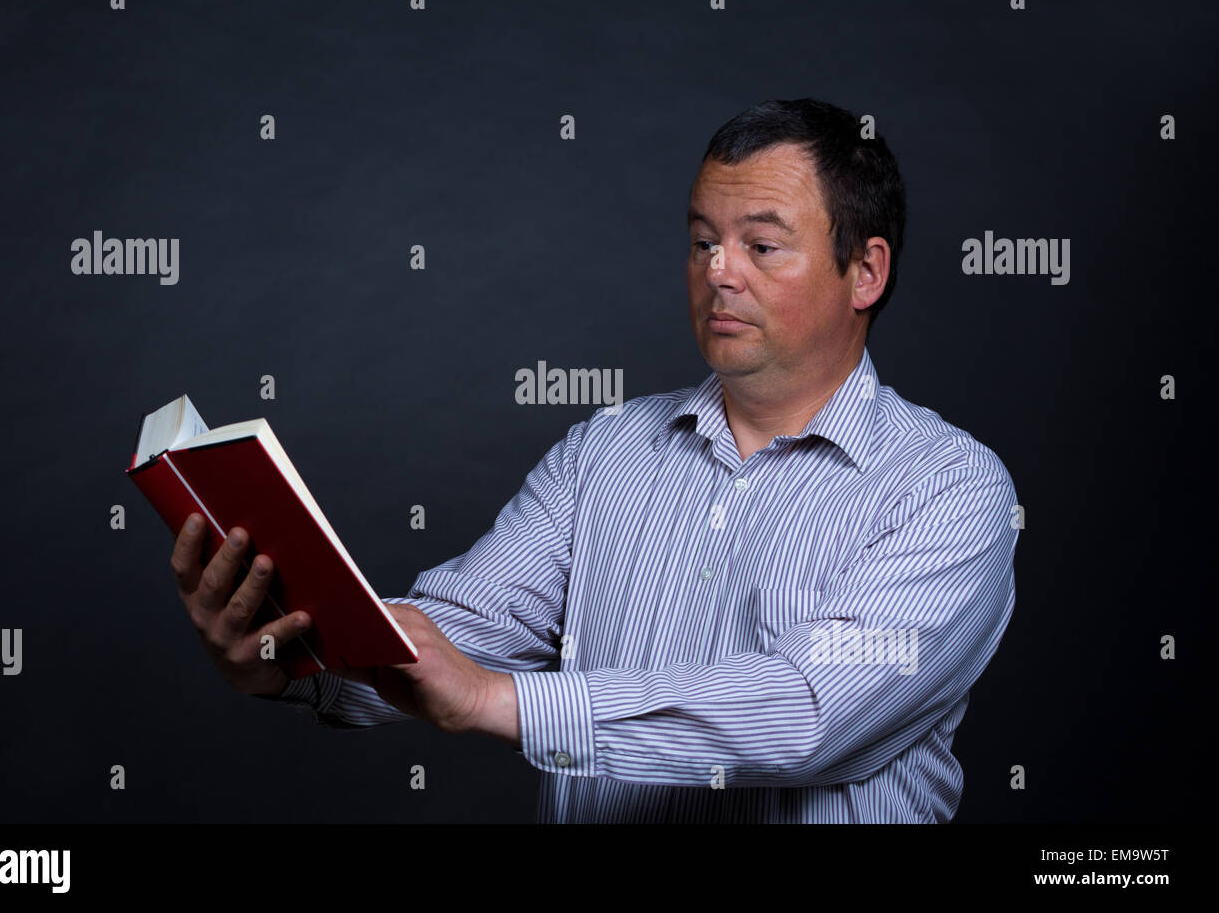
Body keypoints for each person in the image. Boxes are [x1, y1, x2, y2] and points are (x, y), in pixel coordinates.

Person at [169, 98, 1018, 823]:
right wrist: (288, 655)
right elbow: (456, 642)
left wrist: (502, 703)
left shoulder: (951, 489)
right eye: (701, 242)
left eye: (761, 246)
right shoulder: (603, 451)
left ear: (865, 271)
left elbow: (808, 714)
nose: (718, 273)